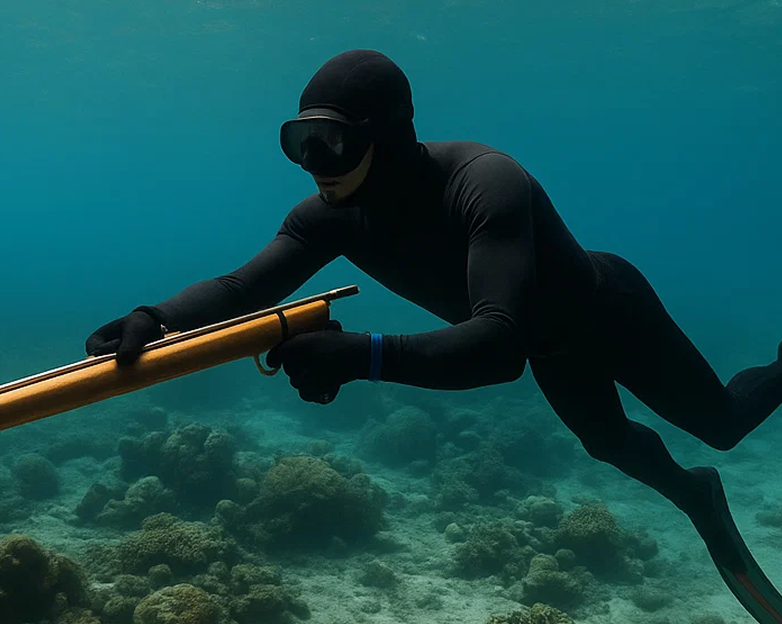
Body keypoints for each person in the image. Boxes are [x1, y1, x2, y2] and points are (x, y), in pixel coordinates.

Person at [84, 48, 782, 623]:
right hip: (551, 348)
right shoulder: (331, 213)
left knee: (721, 423)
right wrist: (162, 315)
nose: (316, 164)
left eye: (332, 142)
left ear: (382, 134)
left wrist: (362, 355)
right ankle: (696, 495)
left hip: (611, 314)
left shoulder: (484, 182)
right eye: (301, 143)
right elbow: (240, 291)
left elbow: (498, 345)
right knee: (607, 442)